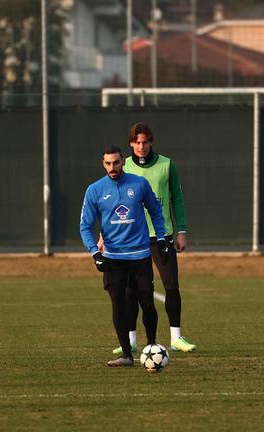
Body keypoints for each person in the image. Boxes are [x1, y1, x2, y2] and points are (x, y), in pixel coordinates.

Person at [101, 122, 197, 355]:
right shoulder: (124, 168)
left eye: (145, 142)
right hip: (131, 238)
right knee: (129, 291)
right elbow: (111, 204)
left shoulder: (167, 165)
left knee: (171, 285)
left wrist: (181, 230)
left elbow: (177, 199)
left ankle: (176, 337)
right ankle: (131, 340)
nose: (141, 146)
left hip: (161, 237)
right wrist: (103, 235)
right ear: (131, 144)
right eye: (137, 142)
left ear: (151, 142)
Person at [80, 145, 169, 368]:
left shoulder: (139, 184)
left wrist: (161, 238)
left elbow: (156, 211)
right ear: (103, 164)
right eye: (108, 163)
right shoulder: (94, 190)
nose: (113, 167)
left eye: (116, 163)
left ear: (122, 162)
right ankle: (127, 355)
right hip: (113, 259)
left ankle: (151, 347)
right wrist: (95, 254)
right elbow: (85, 226)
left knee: (147, 303)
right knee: (119, 306)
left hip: (140, 256)